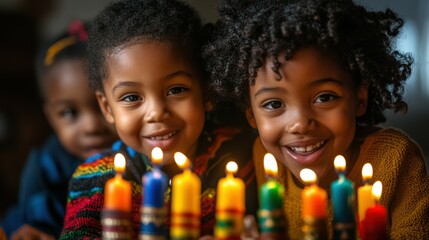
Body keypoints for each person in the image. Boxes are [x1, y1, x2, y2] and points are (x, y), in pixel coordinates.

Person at [204, 0, 429, 239]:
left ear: (359, 97)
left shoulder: (395, 159)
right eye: (273, 104)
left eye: (325, 97)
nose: (300, 123)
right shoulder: (265, 159)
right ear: (251, 113)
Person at [59, 0, 258, 239]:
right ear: (107, 107)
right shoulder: (96, 178)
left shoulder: (239, 155)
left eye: (176, 90)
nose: (156, 112)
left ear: (207, 92)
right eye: (132, 97)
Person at [0, 20, 118, 239]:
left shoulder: (143, 157)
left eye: (105, 105)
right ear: (50, 117)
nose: (91, 126)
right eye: (69, 113)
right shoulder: (46, 167)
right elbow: (36, 227)